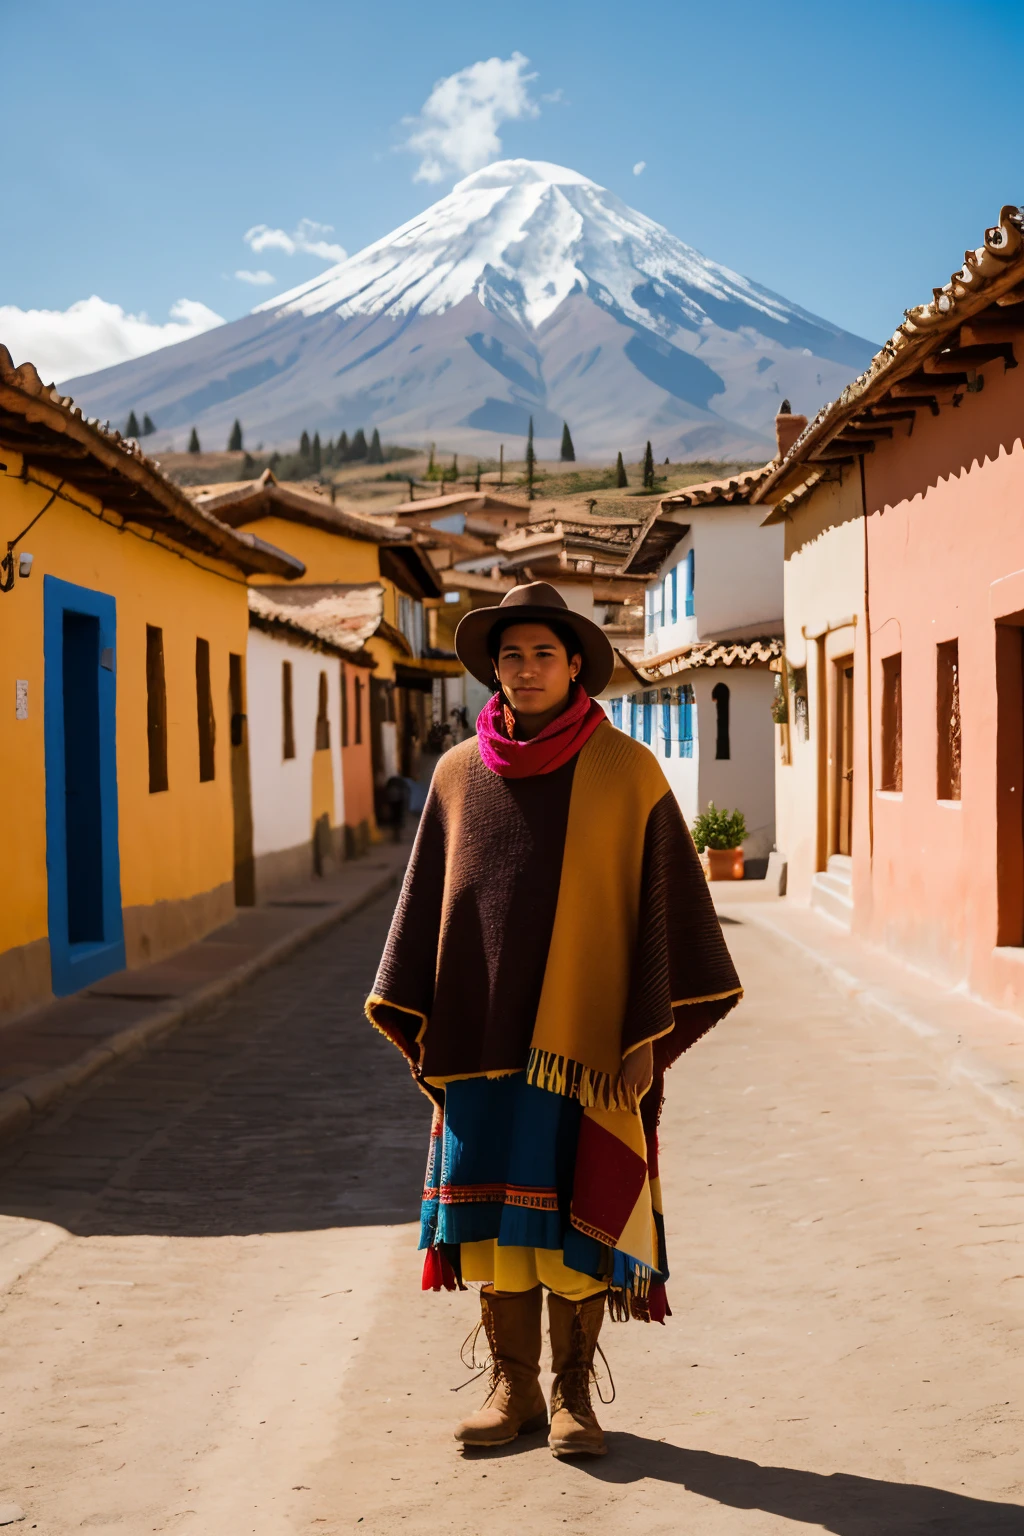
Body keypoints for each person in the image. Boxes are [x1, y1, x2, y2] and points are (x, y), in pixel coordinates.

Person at [367, 582, 740, 1458]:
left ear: (577, 665)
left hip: (586, 1048)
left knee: (573, 1216)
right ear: (493, 671)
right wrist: (434, 1029)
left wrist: (645, 1039)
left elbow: (667, 915)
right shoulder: (459, 775)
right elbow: (433, 910)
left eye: (543, 653)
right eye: (511, 656)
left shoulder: (625, 772)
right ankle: (513, 1387)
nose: (526, 669)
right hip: (481, 1043)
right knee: (495, 1222)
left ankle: (575, 1394)